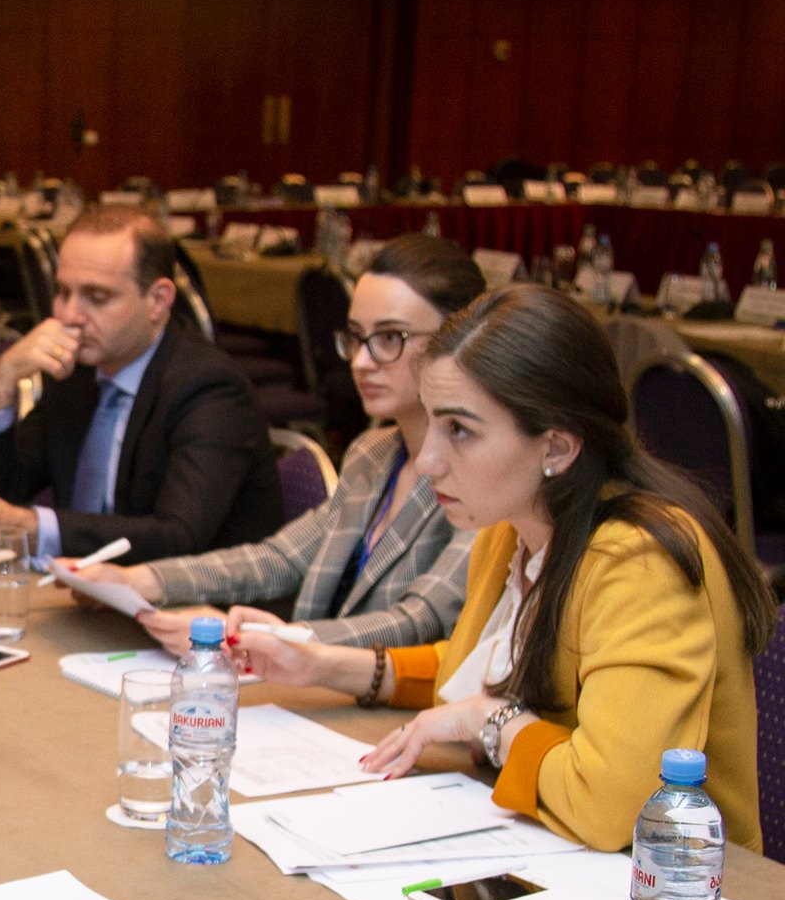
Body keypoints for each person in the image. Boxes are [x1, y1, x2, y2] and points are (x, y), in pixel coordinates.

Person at [243, 284, 775, 852]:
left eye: (460, 430)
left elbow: (608, 803)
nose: (428, 461)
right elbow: (477, 667)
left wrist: (489, 722)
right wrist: (323, 663)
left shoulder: (641, 563)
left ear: (557, 448)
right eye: (431, 422)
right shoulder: (509, 525)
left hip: (678, 886)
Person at [83, 234, 485, 653]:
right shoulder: (373, 452)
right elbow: (281, 558)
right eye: (355, 337)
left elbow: (418, 624)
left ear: (459, 342)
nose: (361, 362)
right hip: (311, 683)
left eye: (389, 338)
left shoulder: (483, 476)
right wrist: (140, 579)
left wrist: (271, 640)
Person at [0, 204, 284, 563]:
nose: (69, 316)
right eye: (62, 292)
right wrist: (2, 381)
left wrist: (33, 528)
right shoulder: (76, 370)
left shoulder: (210, 389)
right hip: (81, 586)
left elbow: (178, 537)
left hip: (188, 594)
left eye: (97, 298)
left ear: (158, 300)